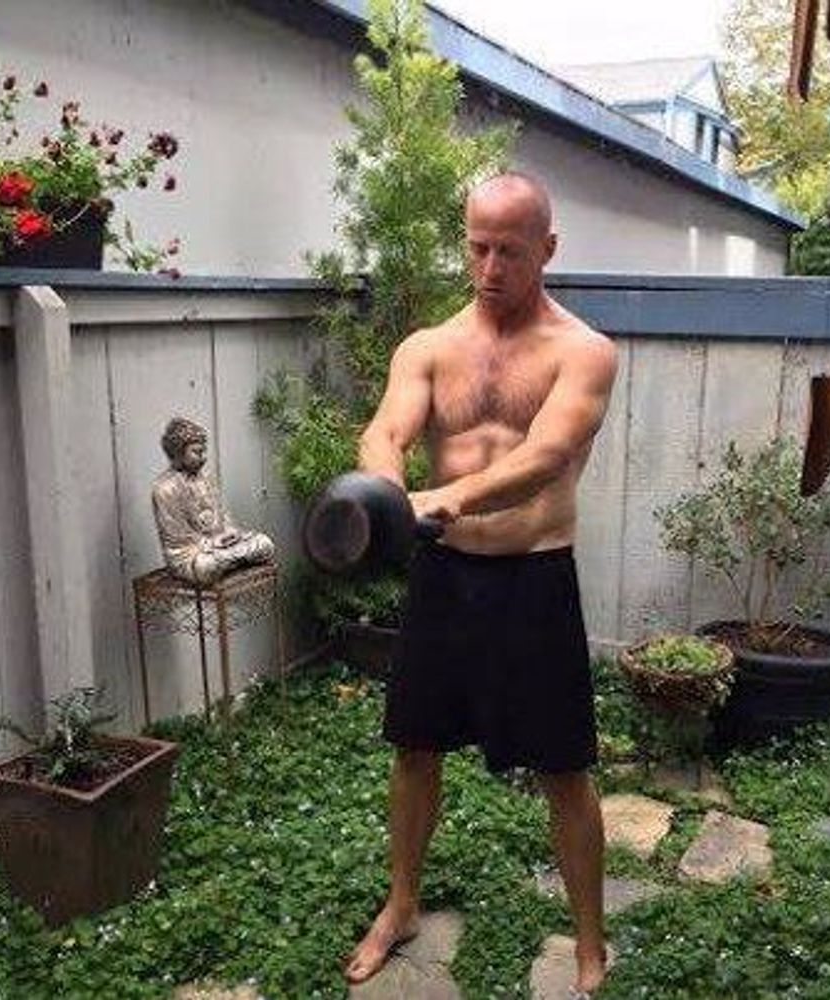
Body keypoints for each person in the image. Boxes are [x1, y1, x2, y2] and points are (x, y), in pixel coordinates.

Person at [346, 172, 618, 995]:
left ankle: (589, 941)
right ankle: (401, 904)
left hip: (534, 579)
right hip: (445, 576)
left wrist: (443, 500)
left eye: (511, 250)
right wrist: (386, 492)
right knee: (414, 749)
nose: (491, 267)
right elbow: (384, 433)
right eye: (478, 248)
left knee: (563, 769)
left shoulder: (584, 351)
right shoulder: (427, 347)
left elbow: (546, 457)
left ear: (548, 248)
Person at [152, 416, 275, 585]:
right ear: (178, 453)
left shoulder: (207, 477)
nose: (203, 458)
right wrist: (211, 543)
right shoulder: (165, 488)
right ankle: (231, 562)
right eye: (196, 452)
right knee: (206, 567)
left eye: (204, 452)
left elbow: (223, 517)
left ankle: (230, 561)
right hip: (192, 554)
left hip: (221, 545)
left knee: (264, 544)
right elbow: (179, 541)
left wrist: (229, 533)